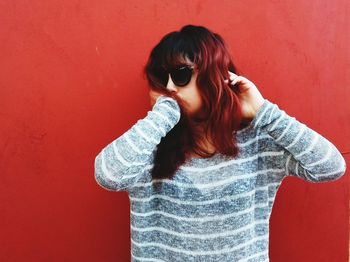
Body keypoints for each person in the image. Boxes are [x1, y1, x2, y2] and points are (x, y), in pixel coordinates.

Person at [94, 24, 346, 262]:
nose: (169, 86)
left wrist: (263, 112)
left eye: (180, 75)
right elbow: (108, 174)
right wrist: (165, 112)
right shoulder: (147, 145)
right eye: (161, 77)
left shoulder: (257, 142)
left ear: (214, 76)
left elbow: (330, 166)